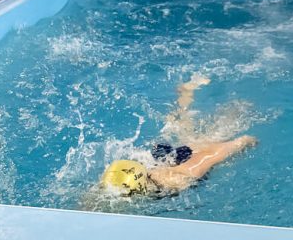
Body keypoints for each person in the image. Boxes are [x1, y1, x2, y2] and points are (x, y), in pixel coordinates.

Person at [99, 75, 257, 196]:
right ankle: (185, 94)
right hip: (161, 162)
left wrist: (246, 142)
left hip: (187, 159)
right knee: (184, 130)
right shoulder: (114, 182)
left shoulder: (184, 175)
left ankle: (236, 105)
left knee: (214, 133)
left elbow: (216, 152)